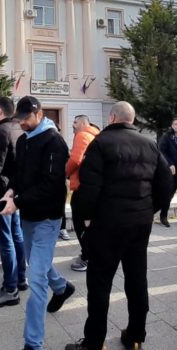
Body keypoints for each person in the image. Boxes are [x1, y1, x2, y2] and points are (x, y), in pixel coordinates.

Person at [65, 102, 174, 350]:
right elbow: (166, 182)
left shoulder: (101, 143)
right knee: (137, 280)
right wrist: (149, 209)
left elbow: (88, 187)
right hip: (139, 224)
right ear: (131, 119)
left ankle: (94, 342)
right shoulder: (149, 144)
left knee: (100, 283)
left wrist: (87, 218)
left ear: (112, 117)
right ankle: (135, 336)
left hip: (107, 225)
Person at [0, 96, 74, 350]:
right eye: (19, 119)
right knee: (37, 264)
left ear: (39, 114)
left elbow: (51, 184)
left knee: (36, 278)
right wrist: (12, 191)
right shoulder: (23, 140)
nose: (22, 123)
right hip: (28, 215)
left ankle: (33, 343)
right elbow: (20, 174)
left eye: (26, 119)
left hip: (47, 218)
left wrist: (17, 202)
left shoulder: (54, 141)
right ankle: (62, 287)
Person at [0, 97, 28, 308]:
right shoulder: (18, 128)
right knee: (16, 234)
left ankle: (10, 288)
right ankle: (20, 277)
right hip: (13, 190)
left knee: (5, 239)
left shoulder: (1, 132)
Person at [66, 115, 99, 272]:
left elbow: (75, 160)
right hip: (94, 188)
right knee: (91, 224)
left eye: (75, 122)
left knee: (81, 224)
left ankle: (87, 257)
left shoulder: (82, 135)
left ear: (85, 123)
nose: (73, 125)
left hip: (82, 188)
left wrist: (64, 172)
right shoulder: (96, 135)